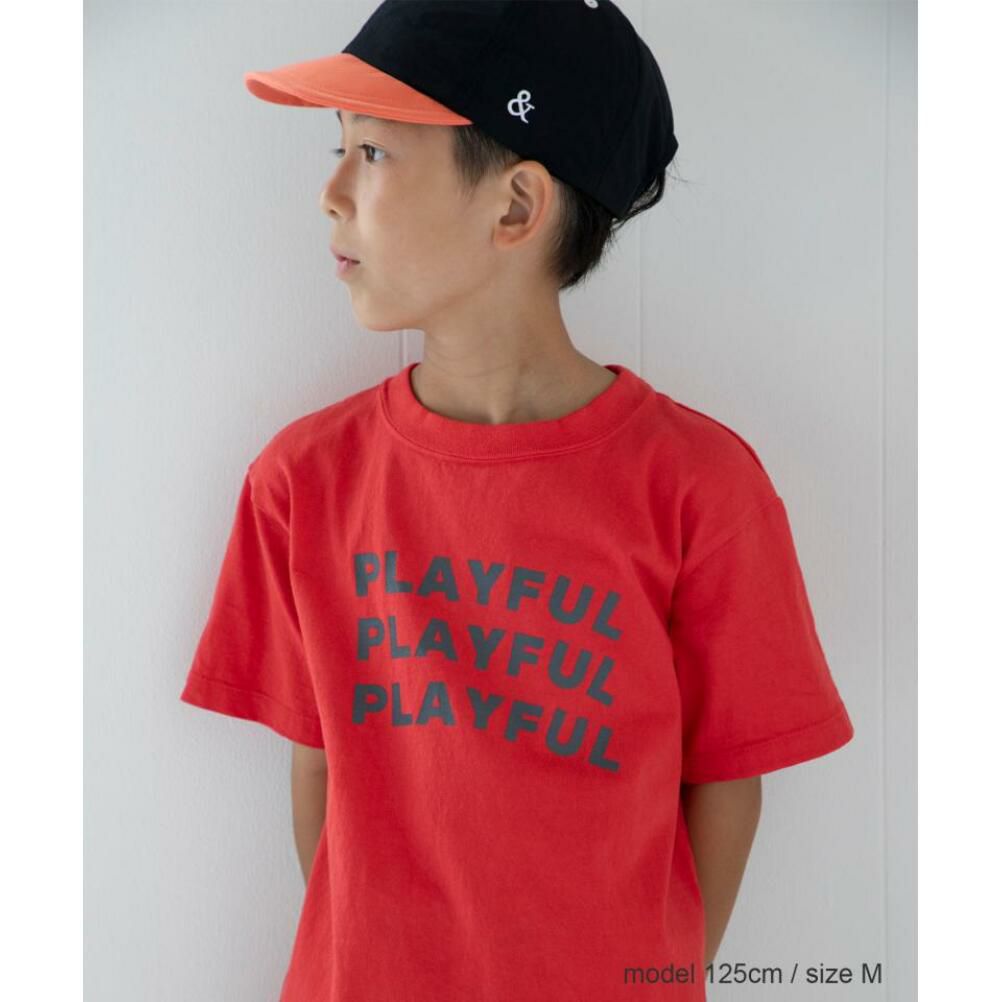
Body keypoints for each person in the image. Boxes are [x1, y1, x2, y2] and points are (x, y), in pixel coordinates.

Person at [179, 2, 854, 1000]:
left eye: (373, 152)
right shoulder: (303, 482)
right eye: (338, 149)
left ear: (515, 206)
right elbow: (320, 768)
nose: (329, 193)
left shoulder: (701, 489)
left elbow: (725, 780)